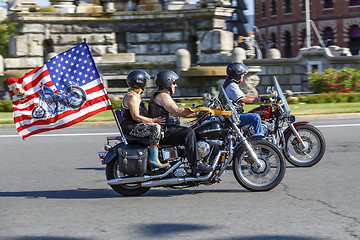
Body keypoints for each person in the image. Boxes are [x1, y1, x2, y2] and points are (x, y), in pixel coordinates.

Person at [148, 70, 212, 173]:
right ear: (167, 82)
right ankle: (196, 164)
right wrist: (199, 113)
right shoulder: (162, 95)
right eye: (173, 83)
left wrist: (199, 112)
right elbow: (177, 111)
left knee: (197, 132)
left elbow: (181, 112)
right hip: (164, 130)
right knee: (188, 133)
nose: (175, 85)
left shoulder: (163, 95)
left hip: (166, 129)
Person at [120, 70, 167, 168]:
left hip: (137, 125)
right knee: (155, 128)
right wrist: (154, 121)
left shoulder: (137, 96)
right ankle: (153, 159)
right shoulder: (131, 97)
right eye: (145, 80)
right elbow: (136, 116)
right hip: (131, 127)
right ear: (141, 81)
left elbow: (145, 114)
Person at [223, 62, 271, 135]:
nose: (243, 76)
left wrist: (260, 97)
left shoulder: (231, 83)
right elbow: (243, 99)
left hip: (231, 115)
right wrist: (260, 100)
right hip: (231, 117)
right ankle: (260, 139)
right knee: (255, 117)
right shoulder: (231, 86)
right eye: (242, 74)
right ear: (237, 74)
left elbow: (243, 96)